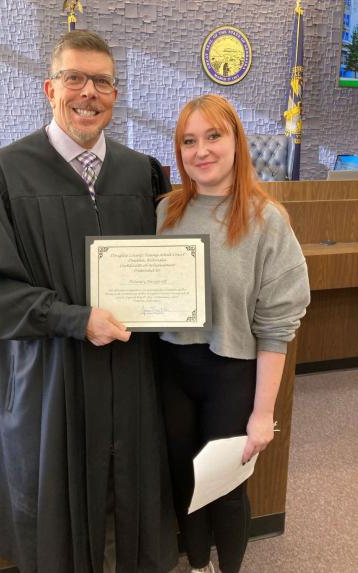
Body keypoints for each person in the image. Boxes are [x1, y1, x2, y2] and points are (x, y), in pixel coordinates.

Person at [0, 30, 178, 573]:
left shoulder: (141, 172)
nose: (88, 92)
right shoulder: (0, 174)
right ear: (50, 88)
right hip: (49, 375)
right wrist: (76, 320)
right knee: (55, 508)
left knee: (128, 499)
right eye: (74, 78)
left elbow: (168, 268)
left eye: (102, 81)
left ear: (115, 93)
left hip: (128, 370)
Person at [156, 94, 310, 573]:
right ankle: (198, 564)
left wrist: (262, 414)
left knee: (225, 489)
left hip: (232, 372)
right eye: (188, 140)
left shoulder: (267, 221)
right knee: (185, 480)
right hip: (171, 369)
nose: (200, 150)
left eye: (213, 136)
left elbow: (276, 328)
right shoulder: (166, 213)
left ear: (236, 142)